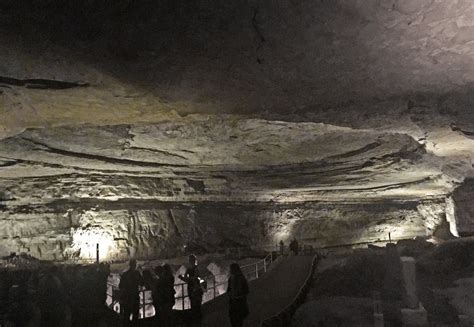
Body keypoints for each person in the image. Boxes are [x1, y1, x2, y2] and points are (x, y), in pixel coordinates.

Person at [178, 254, 204, 323]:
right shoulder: (192, 269)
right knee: (195, 304)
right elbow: (191, 279)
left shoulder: (194, 269)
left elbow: (193, 279)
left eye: (190, 260)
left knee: (196, 304)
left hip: (194, 288)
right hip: (193, 288)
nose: (190, 261)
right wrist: (183, 278)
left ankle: (197, 320)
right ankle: (197, 320)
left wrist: (183, 278)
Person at [119, 259, 143, 326]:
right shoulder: (137, 274)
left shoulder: (125, 274)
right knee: (135, 314)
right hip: (135, 296)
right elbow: (142, 283)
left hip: (127, 297)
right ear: (135, 265)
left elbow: (120, 286)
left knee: (126, 314)